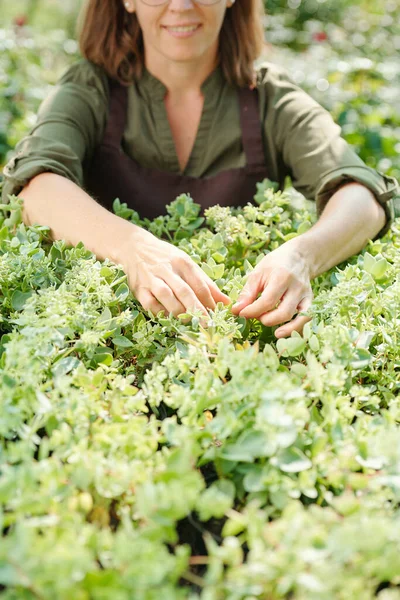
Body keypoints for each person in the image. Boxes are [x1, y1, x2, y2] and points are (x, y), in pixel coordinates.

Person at [2, 0, 398, 338]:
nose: (181, 5)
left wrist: (301, 257)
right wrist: (133, 248)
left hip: (232, 348)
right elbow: (35, 186)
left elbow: (362, 196)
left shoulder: (270, 100)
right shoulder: (89, 90)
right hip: (106, 343)